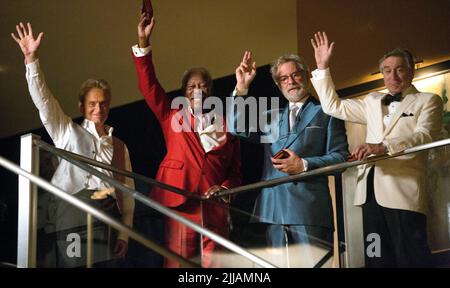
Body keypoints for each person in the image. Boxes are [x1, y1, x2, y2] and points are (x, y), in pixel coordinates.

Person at [310, 32, 444, 267]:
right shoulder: (371, 101)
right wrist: (322, 67)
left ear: (411, 70)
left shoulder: (428, 100)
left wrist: (383, 147)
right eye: (387, 70)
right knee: (377, 261)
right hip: (369, 192)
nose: (393, 75)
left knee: (411, 259)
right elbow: (333, 106)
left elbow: (423, 136)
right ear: (381, 73)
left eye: (400, 69)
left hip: (404, 194)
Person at [11, 22, 135, 267]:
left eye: (103, 103)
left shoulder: (119, 146)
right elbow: (43, 100)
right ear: (82, 106)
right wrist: (31, 59)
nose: (98, 109)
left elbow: (128, 194)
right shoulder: (66, 130)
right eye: (92, 103)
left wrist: (124, 234)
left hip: (107, 215)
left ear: (108, 106)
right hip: (72, 213)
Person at [131, 13, 241, 267]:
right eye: (191, 87)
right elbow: (148, 86)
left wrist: (224, 189)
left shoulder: (227, 125)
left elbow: (235, 172)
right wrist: (143, 43)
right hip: (181, 201)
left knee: (217, 265)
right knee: (179, 263)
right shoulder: (171, 116)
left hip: (215, 206)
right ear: (184, 93)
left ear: (210, 91)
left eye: (202, 86)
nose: (197, 91)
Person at [230, 51, 349, 267]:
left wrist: (304, 165)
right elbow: (236, 127)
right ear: (278, 84)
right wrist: (241, 88)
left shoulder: (327, 111)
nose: (291, 82)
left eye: (295, 75)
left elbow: (340, 158)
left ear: (306, 76)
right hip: (273, 210)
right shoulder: (271, 116)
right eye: (284, 78)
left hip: (309, 210)